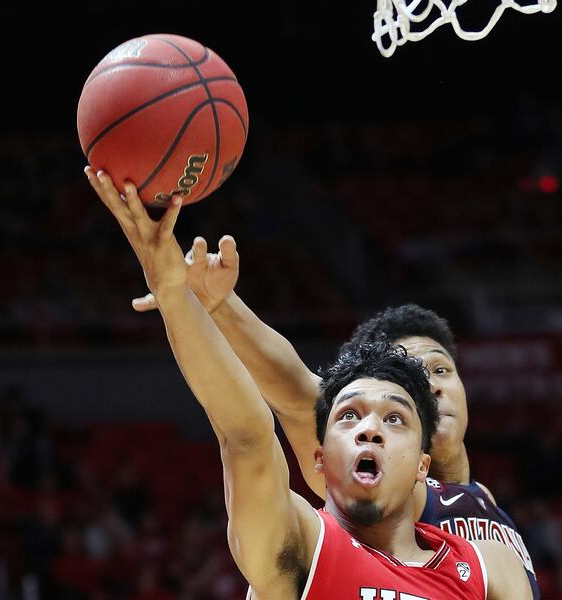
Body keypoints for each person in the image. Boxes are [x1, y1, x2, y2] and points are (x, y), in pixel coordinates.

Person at [86, 168, 533, 599]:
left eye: (438, 371)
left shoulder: (486, 553)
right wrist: (180, 296)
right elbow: (254, 428)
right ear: (318, 457)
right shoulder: (306, 545)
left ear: (422, 462)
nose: (370, 428)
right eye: (350, 416)